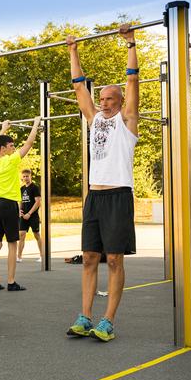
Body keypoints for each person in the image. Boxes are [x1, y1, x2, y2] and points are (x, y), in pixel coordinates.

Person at [64, 25, 140, 342]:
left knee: (113, 259)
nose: (105, 102)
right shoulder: (94, 119)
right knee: (90, 258)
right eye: (103, 98)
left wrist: (130, 43)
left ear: (120, 102)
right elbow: (79, 86)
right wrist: (73, 50)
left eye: (111, 98)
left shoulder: (127, 121)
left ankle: (108, 320)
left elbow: (133, 79)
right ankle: (85, 317)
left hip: (119, 196)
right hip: (94, 198)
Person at [0, 118, 41, 291]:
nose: (13, 148)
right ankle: (11, 281)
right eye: (11, 146)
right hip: (8, 204)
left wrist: (3, 128)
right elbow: (30, 143)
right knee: (12, 243)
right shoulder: (11, 160)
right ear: (4, 149)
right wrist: (35, 124)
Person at [17, 168, 44, 263]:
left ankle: (42, 256)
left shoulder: (35, 188)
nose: (25, 178)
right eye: (24, 176)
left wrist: (29, 213)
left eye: (27, 176)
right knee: (21, 235)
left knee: (36, 235)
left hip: (33, 216)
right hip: (23, 216)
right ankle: (19, 257)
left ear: (30, 176)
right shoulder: (22, 188)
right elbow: (21, 201)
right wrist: (20, 211)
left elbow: (38, 202)